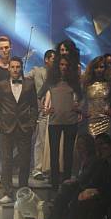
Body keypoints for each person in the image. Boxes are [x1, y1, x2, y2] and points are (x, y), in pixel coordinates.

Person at [0, 56, 38, 203]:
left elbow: (34, 107)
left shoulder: (30, 85)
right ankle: (6, 192)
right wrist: (0, 124)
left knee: (25, 161)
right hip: (6, 127)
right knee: (6, 160)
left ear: (21, 68)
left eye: (18, 67)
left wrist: (32, 124)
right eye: (12, 67)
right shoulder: (1, 85)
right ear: (8, 68)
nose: (15, 69)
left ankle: (23, 192)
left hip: (24, 127)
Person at [43, 54, 81, 189]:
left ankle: (66, 183)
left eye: (66, 65)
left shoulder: (74, 82)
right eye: (61, 64)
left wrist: (78, 108)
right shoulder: (51, 81)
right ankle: (54, 184)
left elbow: (82, 99)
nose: (64, 67)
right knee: (54, 154)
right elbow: (38, 96)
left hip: (71, 121)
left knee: (68, 154)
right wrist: (45, 109)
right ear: (57, 66)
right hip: (54, 122)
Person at [26, 49, 55, 180]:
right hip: (41, 110)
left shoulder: (58, 75)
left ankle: (49, 168)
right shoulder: (37, 71)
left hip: (55, 111)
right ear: (46, 60)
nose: (55, 62)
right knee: (40, 140)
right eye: (53, 59)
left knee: (52, 141)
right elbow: (24, 77)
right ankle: (37, 169)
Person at [82, 56, 111, 137]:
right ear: (92, 69)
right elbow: (81, 101)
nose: (99, 69)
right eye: (96, 67)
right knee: (92, 146)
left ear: (105, 68)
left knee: (105, 145)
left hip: (106, 120)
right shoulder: (87, 84)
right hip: (91, 121)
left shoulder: (110, 84)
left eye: (101, 67)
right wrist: (84, 112)